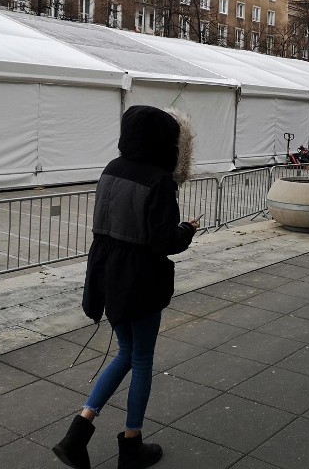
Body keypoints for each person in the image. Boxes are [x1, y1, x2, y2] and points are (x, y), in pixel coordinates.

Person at [53, 105, 199, 469]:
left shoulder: (111, 169)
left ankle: (79, 430)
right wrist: (189, 229)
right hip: (141, 280)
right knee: (142, 359)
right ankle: (132, 443)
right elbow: (165, 241)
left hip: (106, 275)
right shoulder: (159, 180)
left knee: (125, 352)